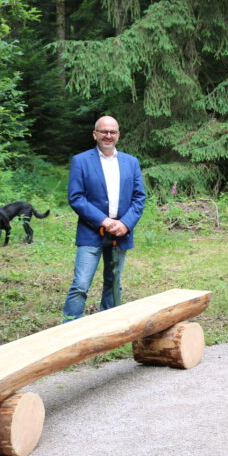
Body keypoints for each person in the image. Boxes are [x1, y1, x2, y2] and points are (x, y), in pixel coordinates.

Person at [63, 116, 146, 321]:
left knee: (113, 282)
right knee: (81, 283)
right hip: (91, 232)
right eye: (103, 131)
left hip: (120, 233)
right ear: (95, 134)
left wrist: (125, 223)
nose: (108, 136)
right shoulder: (81, 161)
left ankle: (109, 325)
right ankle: (69, 327)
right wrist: (104, 221)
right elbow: (76, 197)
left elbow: (139, 197)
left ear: (118, 135)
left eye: (112, 132)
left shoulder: (131, 162)